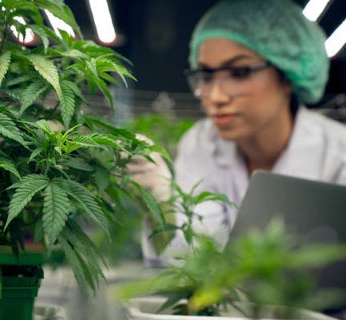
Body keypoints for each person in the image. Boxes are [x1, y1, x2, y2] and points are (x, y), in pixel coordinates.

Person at [133, 0, 346, 264]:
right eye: (206, 75)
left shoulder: (339, 154)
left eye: (240, 72)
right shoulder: (201, 143)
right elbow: (193, 260)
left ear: (288, 75)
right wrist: (161, 204)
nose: (216, 96)